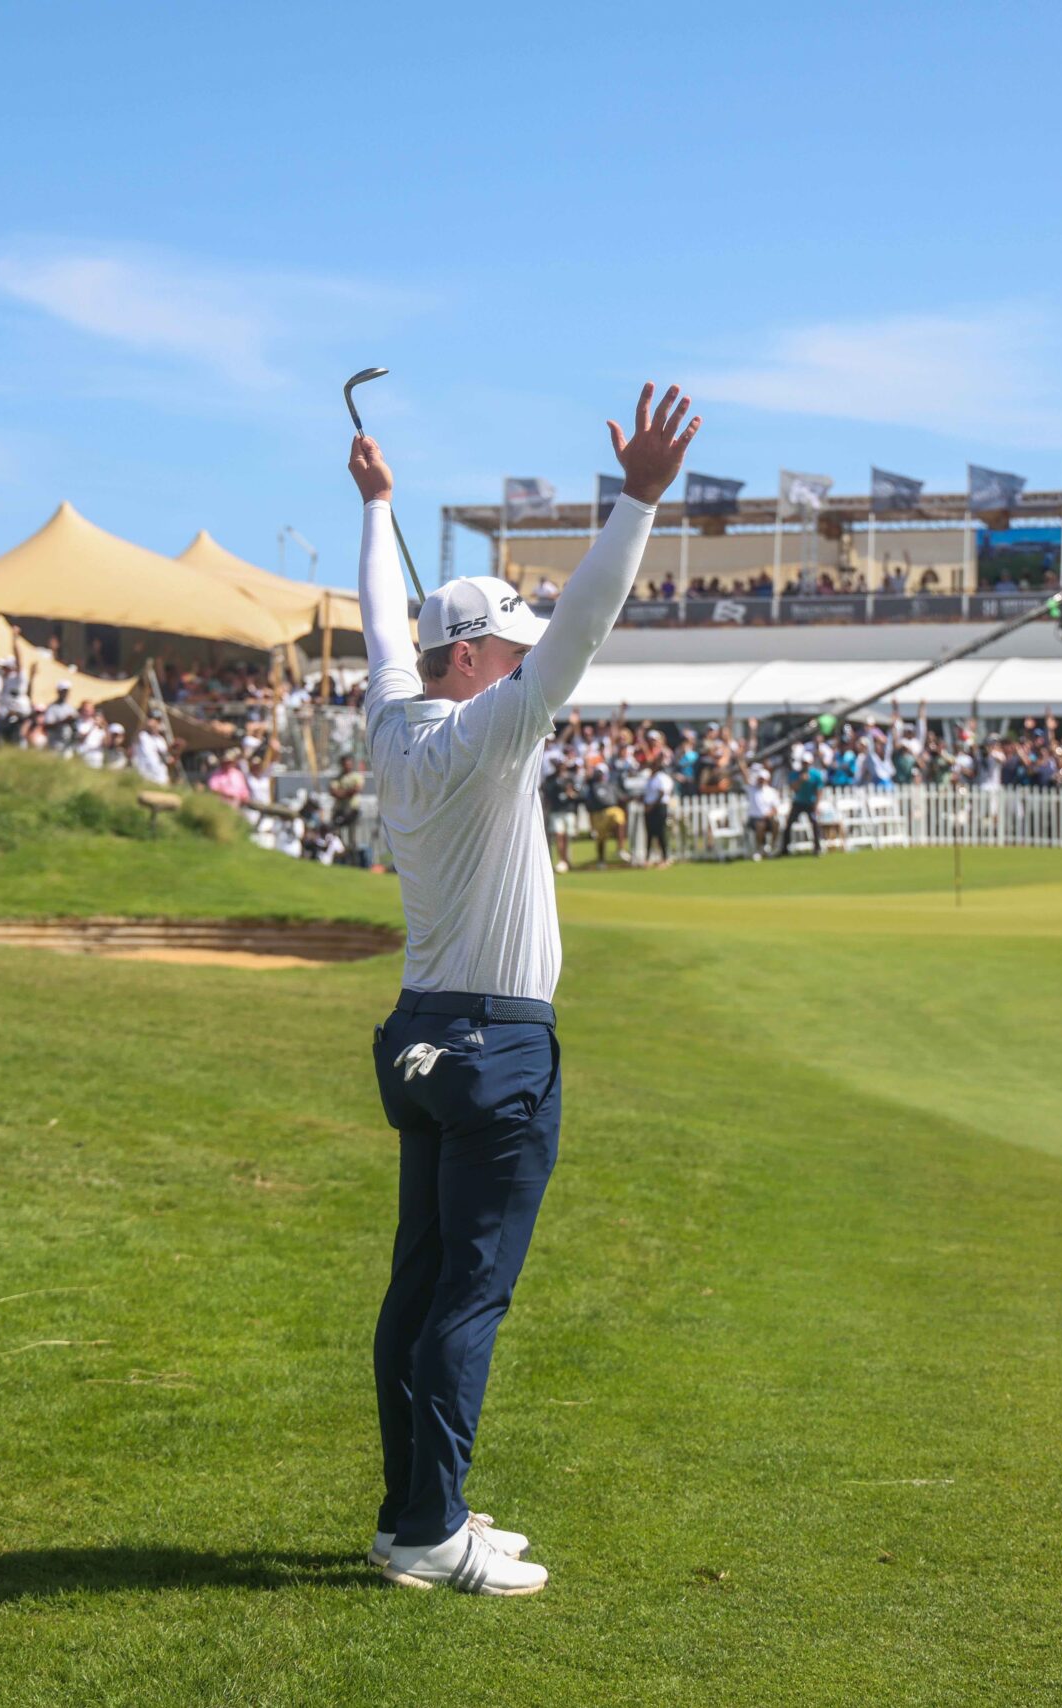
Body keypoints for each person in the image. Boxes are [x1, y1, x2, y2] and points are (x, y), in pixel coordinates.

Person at [352, 381, 695, 1596]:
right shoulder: (486, 728)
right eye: (506, 639)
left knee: (421, 1283)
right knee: (467, 1296)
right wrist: (638, 503)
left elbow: (382, 624)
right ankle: (433, 1534)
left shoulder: (395, 721)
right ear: (477, 656)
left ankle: (418, 1512)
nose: (522, 652)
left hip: (418, 1040)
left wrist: (376, 505)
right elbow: (579, 640)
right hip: (496, 1047)